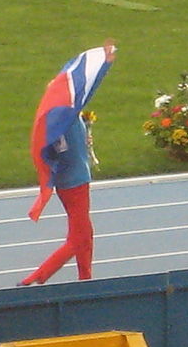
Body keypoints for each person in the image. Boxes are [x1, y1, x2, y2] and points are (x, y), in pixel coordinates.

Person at [19, 40, 117, 286]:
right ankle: (36, 278)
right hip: (75, 182)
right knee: (78, 238)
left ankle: (86, 278)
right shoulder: (66, 115)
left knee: (84, 233)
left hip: (68, 180)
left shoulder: (54, 120)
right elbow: (89, 89)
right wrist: (104, 65)